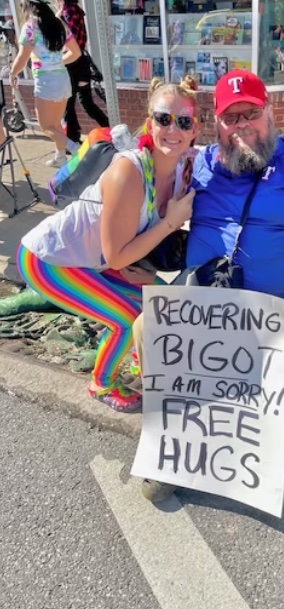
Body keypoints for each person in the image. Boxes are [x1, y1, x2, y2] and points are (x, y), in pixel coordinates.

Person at [133, 69, 284, 503]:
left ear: (270, 114)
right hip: (207, 304)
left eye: (250, 113)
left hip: (283, 305)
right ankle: (176, 451)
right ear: (218, 125)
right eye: (231, 118)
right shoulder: (201, 165)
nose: (242, 126)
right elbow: (151, 187)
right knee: (147, 328)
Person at [16, 76, 199, 413]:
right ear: (149, 123)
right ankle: (101, 382)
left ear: (194, 130)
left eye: (183, 121)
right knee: (128, 316)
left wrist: (141, 269)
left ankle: (138, 359)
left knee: (162, 301)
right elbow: (118, 253)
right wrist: (172, 222)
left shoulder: (185, 168)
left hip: (97, 259)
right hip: (49, 260)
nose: (173, 129)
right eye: (164, 119)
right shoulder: (128, 172)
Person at [9, 0, 81, 168]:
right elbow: (76, 52)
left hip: (46, 82)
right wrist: (57, 62)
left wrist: (13, 73)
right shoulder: (59, 23)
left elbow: (22, 57)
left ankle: (76, 149)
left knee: (46, 127)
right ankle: (60, 157)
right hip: (63, 79)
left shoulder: (30, 27)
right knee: (56, 124)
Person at [57, 0, 109, 145]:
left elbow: (70, 40)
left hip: (71, 62)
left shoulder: (68, 11)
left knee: (69, 103)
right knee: (86, 102)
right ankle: (109, 127)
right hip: (81, 63)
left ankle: (73, 139)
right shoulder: (75, 10)